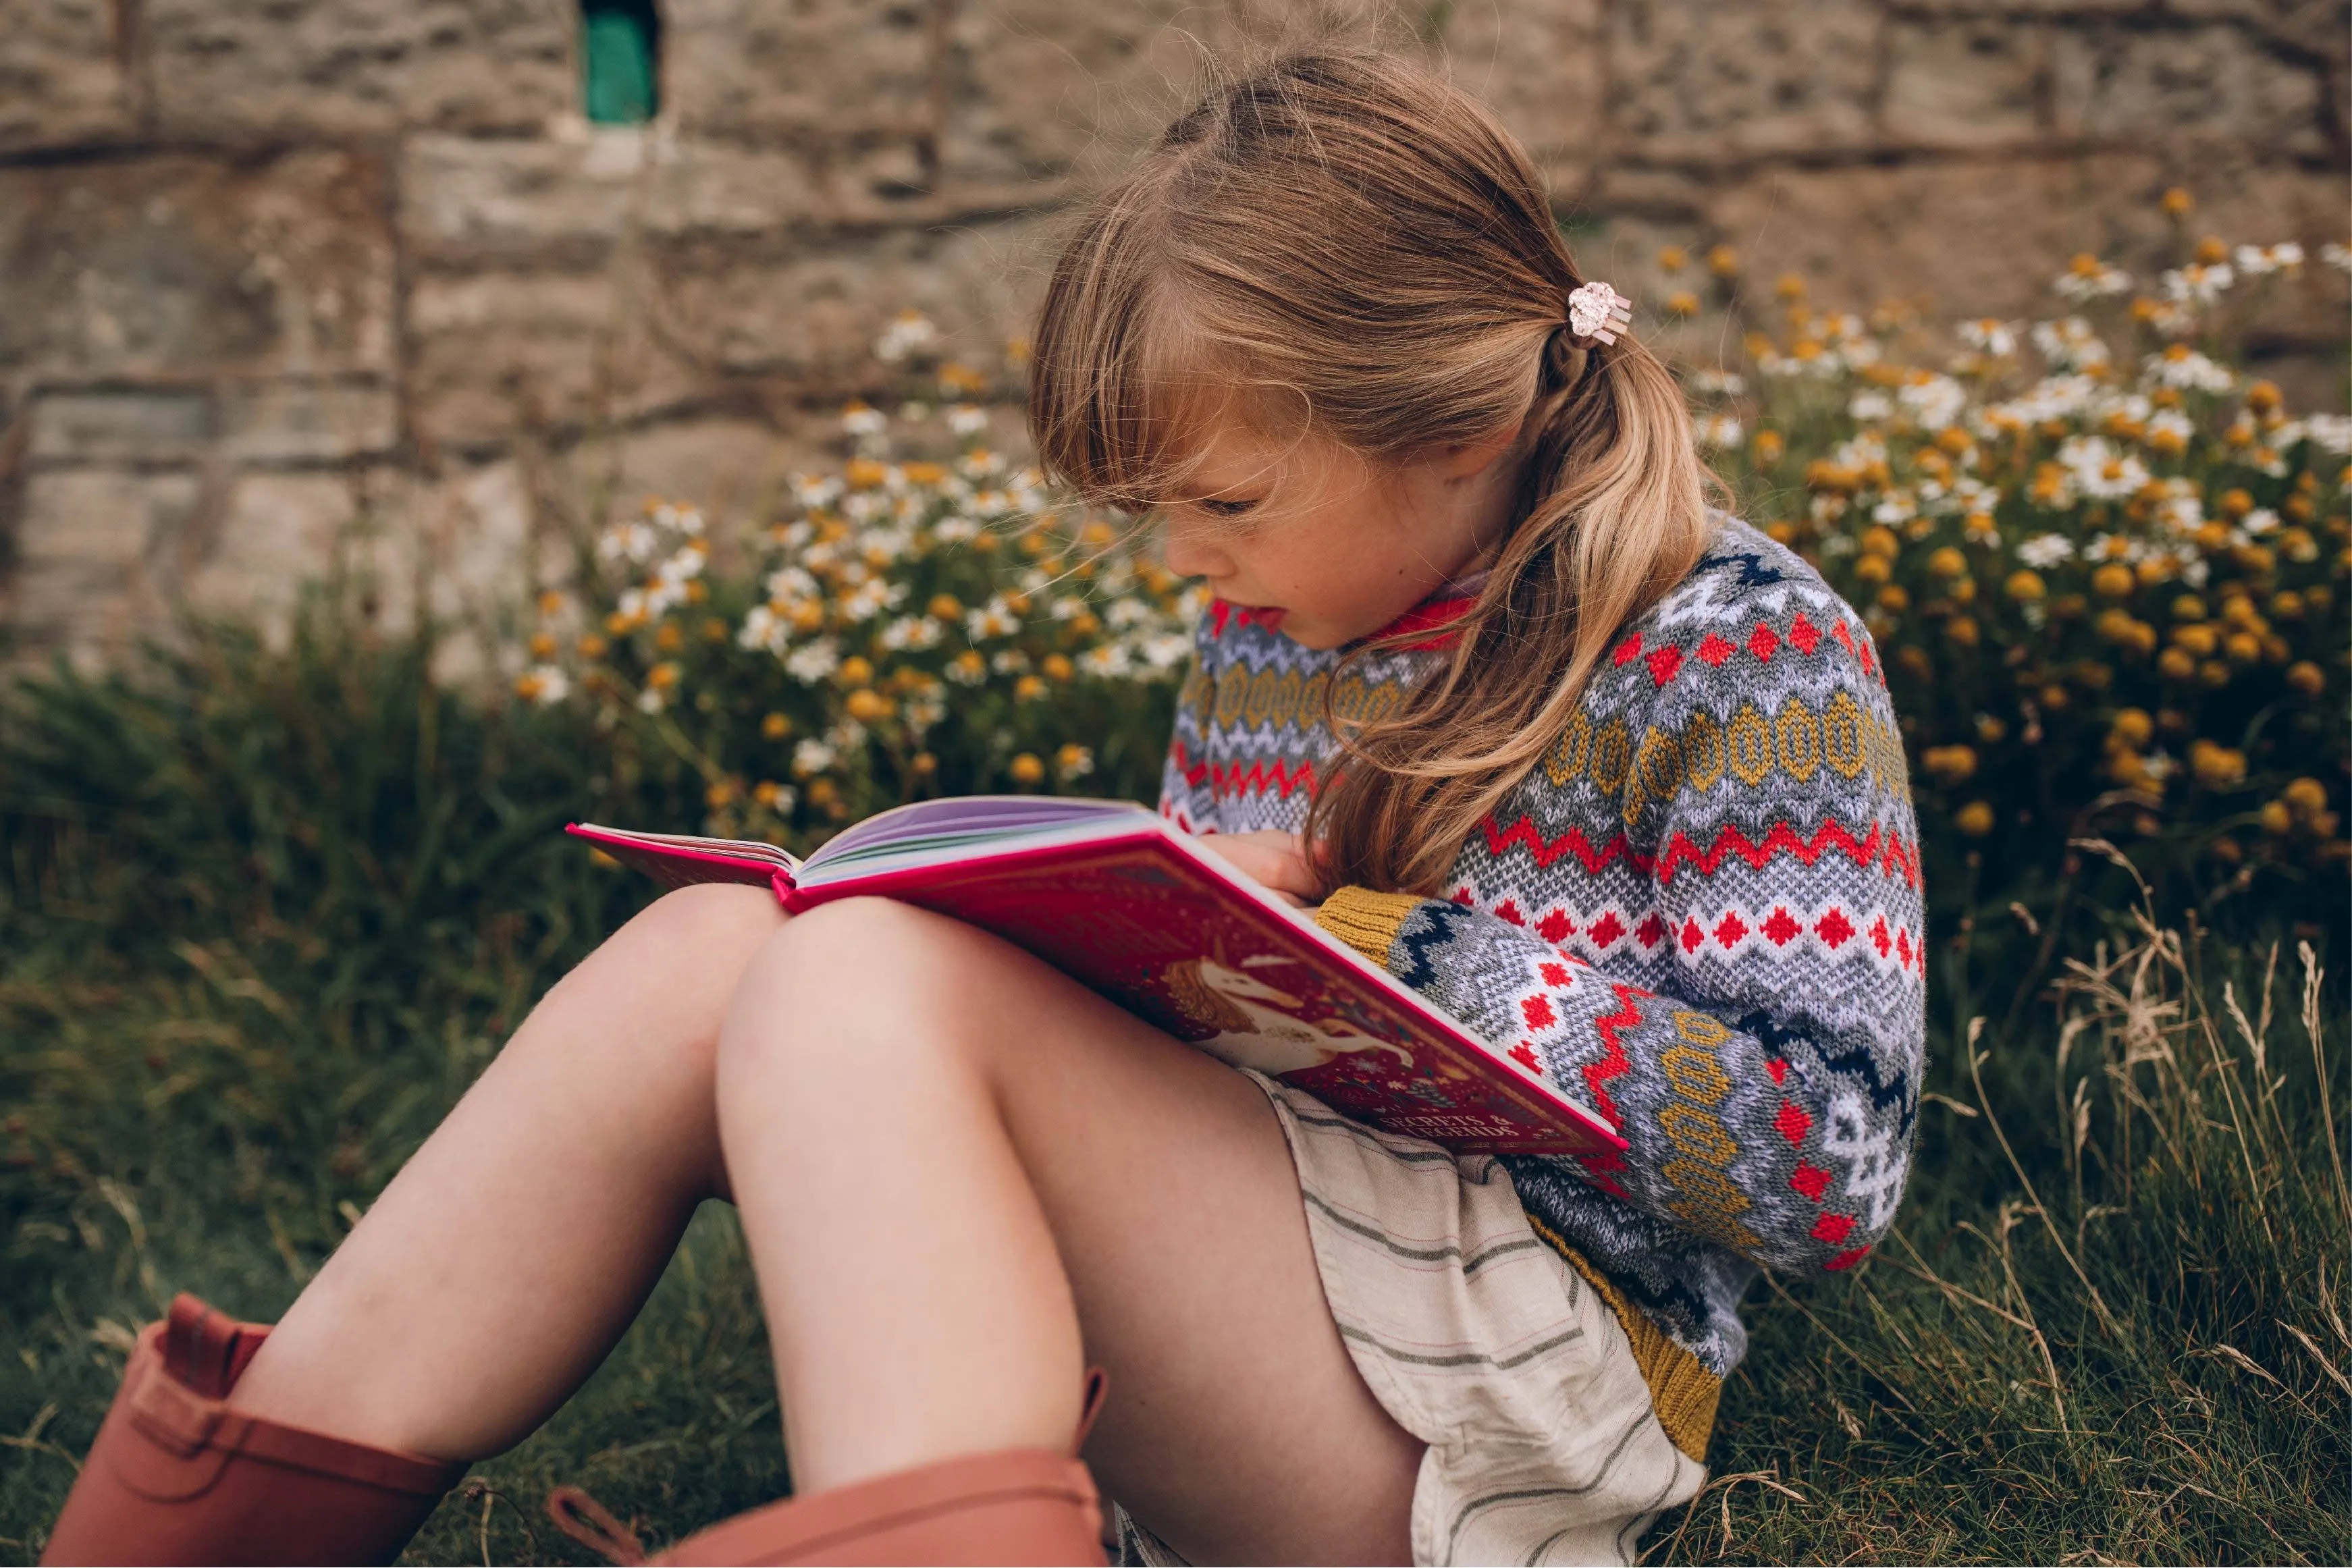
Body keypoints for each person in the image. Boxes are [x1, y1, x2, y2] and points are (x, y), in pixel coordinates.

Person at [41, 47, 1926, 1568]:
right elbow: (1213, 1064)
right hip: (1283, 1303)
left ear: (1445, 422)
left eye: (1226, 501)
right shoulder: (1275, 636)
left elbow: (1825, 1164)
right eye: (1151, 516)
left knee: (860, 986)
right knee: (730, 947)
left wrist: (1380, 946)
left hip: (1518, 1404)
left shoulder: (1729, 648)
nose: (1185, 561)